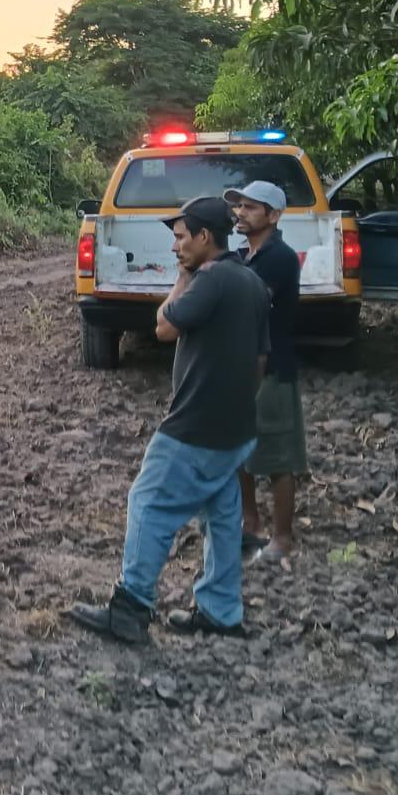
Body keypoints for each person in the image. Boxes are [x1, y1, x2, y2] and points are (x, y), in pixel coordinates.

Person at [67, 196, 270, 643]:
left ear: (204, 236)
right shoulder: (250, 281)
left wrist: (181, 278)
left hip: (194, 427)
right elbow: (259, 360)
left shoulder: (210, 280)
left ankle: (131, 607)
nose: (175, 246)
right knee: (221, 517)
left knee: (148, 502)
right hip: (235, 428)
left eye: (181, 237)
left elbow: (163, 328)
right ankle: (221, 612)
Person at [226, 181, 306, 564]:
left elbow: (248, 303)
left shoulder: (279, 258)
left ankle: (283, 538)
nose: (240, 212)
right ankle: (251, 524)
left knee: (277, 455)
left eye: (250, 207)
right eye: (239, 206)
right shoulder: (245, 256)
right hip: (244, 367)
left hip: (273, 369)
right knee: (239, 450)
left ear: (273, 216)